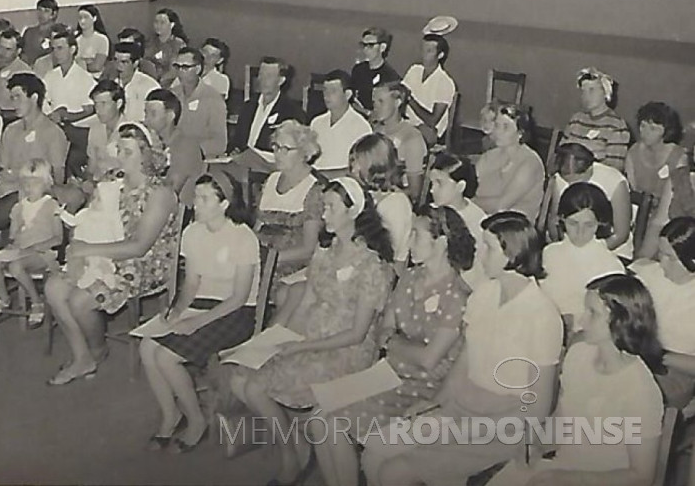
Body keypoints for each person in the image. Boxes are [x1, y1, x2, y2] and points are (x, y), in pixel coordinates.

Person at [363, 211, 562, 486]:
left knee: (394, 472)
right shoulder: (484, 294)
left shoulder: (542, 315)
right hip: (461, 407)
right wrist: (436, 403)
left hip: (502, 424)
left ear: (512, 254)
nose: (482, 256)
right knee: (374, 450)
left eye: (490, 248)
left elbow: (537, 407)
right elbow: (466, 361)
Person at [235, 177, 394, 486]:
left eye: (331, 207)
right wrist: (275, 337)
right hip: (310, 337)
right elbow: (306, 300)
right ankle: (291, 454)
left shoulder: (371, 265)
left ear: (353, 212)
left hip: (346, 350)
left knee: (316, 412)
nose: (324, 214)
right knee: (249, 385)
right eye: (323, 207)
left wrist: (299, 348)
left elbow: (358, 334)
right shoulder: (324, 252)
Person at [316, 205, 474, 486]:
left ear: (441, 242)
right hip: (388, 372)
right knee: (319, 417)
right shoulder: (410, 278)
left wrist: (394, 343)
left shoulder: (457, 296)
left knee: (336, 422)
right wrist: (397, 343)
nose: (409, 240)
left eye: (416, 234)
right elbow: (382, 331)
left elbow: (429, 360)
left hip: (425, 387)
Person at [485, 273, 665, 486]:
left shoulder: (640, 390)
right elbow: (562, 417)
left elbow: (641, 477)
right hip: (563, 468)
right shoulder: (579, 355)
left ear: (621, 321)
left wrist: (568, 478)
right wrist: (538, 444)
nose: (582, 320)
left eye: (593, 313)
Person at [43, 122, 179, 385]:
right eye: (119, 149)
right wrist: (79, 249)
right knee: (54, 289)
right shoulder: (112, 184)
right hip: (104, 254)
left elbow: (140, 246)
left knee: (80, 301)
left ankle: (96, 350)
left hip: (143, 264)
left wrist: (89, 250)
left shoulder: (159, 193)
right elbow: (91, 221)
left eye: (128, 151)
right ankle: (82, 356)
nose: (120, 155)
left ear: (147, 154)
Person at [139, 173, 259, 451]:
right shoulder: (192, 232)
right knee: (147, 347)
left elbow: (239, 298)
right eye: (196, 197)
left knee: (166, 358)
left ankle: (196, 420)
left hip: (235, 312)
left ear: (225, 204)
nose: (196, 204)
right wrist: (177, 311)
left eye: (205, 199)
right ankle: (171, 415)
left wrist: (196, 323)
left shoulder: (243, 237)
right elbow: (191, 283)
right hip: (202, 304)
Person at [0, 159, 63, 327]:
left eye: (35, 182)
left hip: (42, 253)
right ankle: (4, 298)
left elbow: (58, 238)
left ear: (46, 183)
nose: (29, 187)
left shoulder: (51, 206)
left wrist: (37, 246)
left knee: (15, 267)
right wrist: (13, 240)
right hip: (22, 250)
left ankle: (36, 302)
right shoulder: (18, 207)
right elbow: (13, 235)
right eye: (25, 182)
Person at [253, 120, 324, 316]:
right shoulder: (271, 180)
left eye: (286, 149)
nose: (278, 154)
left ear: (304, 153)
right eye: (276, 147)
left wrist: (269, 260)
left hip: (289, 267)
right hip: (260, 260)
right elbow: (257, 228)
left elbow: (309, 249)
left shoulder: (314, 190)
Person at [541, 183, 625, 331]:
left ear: (600, 223)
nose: (580, 232)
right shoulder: (549, 254)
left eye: (588, 225)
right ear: (561, 219)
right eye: (573, 223)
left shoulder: (611, 265)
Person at [631, 216, 695, 409]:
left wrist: (657, 354)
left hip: (674, 373)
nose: (662, 263)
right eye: (661, 254)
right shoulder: (649, 273)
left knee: (630, 396)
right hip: (635, 359)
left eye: (671, 258)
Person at [0, 74, 69, 231]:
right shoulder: (11, 130)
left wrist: (18, 185)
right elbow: (2, 167)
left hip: (32, 194)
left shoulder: (52, 132)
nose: (14, 103)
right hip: (5, 190)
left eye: (18, 97)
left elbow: (57, 178)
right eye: (12, 98)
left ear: (34, 98)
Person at [626, 101, 695, 258]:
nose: (645, 132)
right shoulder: (633, 152)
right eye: (642, 126)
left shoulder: (678, 157)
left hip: (669, 217)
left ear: (666, 131)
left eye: (653, 129)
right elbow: (633, 190)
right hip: (639, 215)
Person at [549, 142, 631, 254]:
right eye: (568, 181)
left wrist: (591, 253)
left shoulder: (615, 181)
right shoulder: (560, 177)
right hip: (571, 246)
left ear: (589, 169)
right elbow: (555, 221)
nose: (571, 185)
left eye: (576, 180)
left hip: (609, 250)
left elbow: (620, 235)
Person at [349, 134, 413, 268]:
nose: (352, 169)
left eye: (358, 161)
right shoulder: (366, 194)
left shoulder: (395, 203)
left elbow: (393, 253)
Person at [429, 152, 489, 290]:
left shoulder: (477, 222)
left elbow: (478, 272)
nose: (432, 190)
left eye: (439, 183)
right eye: (432, 183)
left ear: (460, 186)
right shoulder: (430, 212)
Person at [474, 103, 545, 219]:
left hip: (513, 227)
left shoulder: (530, 162)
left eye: (506, 127)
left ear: (520, 133)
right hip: (483, 217)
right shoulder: (489, 156)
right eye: (497, 125)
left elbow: (501, 206)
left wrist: (467, 202)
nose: (499, 132)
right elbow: (471, 186)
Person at [41, 29, 97, 176]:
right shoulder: (50, 76)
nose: (56, 53)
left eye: (60, 48)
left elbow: (91, 109)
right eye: (53, 49)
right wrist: (51, 115)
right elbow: (42, 101)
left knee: (68, 160)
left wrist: (66, 116)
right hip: (52, 128)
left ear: (72, 49)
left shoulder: (85, 78)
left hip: (77, 132)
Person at [230, 56, 304, 161]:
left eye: (269, 76)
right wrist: (235, 150)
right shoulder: (248, 106)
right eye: (261, 75)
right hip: (242, 164)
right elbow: (237, 140)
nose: (263, 80)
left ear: (281, 80)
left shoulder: (291, 111)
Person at [562, 67, 630, 173]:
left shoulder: (616, 125)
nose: (586, 96)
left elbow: (614, 168)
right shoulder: (576, 119)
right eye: (583, 91)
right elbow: (561, 153)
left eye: (592, 90)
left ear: (605, 92)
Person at [144, 88, 204, 207]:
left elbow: (171, 190)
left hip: (177, 211)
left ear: (170, 116)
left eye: (153, 114)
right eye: (145, 113)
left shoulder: (187, 145)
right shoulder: (147, 143)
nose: (146, 120)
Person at [310, 69, 373, 177]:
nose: (327, 95)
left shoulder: (361, 127)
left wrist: (324, 176)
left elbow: (360, 169)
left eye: (333, 91)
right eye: (325, 90)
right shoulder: (316, 123)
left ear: (347, 94)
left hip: (343, 185)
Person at [371, 81, 427, 201]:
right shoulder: (375, 132)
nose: (376, 107)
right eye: (374, 102)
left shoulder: (412, 137)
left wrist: (384, 197)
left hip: (398, 201)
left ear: (397, 102)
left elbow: (415, 192)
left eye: (381, 101)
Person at [171, 47, 227, 159]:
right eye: (178, 67)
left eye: (185, 67)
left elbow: (220, 143)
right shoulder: (172, 94)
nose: (180, 72)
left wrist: (194, 150)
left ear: (197, 69)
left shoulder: (213, 98)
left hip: (199, 161)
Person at [401, 33, 457, 146]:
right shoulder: (414, 70)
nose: (423, 54)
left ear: (440, 55)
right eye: (423, 49)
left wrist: (409, 99)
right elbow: (400, 95)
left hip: (428, 132)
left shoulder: (445, 82)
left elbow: (432, 121)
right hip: (407, 123)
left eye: (429, 51)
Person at [350, 27, 401, 112]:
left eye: (370, 45)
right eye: (363, 45)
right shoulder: (358, 70)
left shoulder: (391, 78)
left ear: (382, 47)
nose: (365, 50)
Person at [0, 29, 32, 111]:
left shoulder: (25, 72)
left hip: (10, 116)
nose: (2, 52)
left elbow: (26, 107)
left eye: (8, 49)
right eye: (1, 47)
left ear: (18, 51)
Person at [85, 80, 125, 179]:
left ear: (118, 103)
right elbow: (91, 166)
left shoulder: (130, 131)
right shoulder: (95, 128)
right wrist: (88, 181)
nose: (98, 110)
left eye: (103, 103)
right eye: (96, 104)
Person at [113, 41, 160, 124]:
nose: (118, 66)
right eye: (116, 60)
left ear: (135, 63)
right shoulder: (113, 84)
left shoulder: (149, 86)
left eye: (124, 62)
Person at [145, 8, 188, 86]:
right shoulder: (150, 42)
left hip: (171, 83)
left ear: (172, 25)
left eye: (162, 23)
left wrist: (161, 81)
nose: (158, 26)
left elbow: (175, 69)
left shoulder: (178, 44)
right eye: (156, 22)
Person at [21, 0, 60, 72]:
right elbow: (23, 54)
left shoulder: (58, 33)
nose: (41, 14)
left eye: (46, 11)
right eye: (39, 10)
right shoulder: (29, 32)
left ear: (54, 14)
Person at [75, 4, 111, 77]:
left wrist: (81, 63)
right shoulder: (76, 40)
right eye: (80, 18)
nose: (82, 21)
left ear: (94, 18)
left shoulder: (102, 39)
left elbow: (97, 66)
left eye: (86, 17)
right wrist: (88, 61)